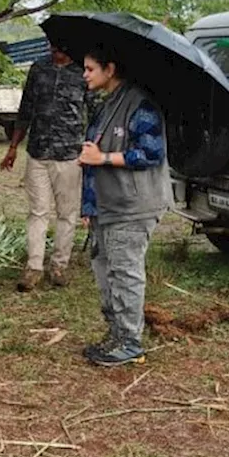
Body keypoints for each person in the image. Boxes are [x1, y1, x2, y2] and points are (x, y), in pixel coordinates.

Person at [78, 44, 170, 367]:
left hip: (133, 206)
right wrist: (89, 206)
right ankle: (116, 333)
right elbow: (89, 158)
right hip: (107, 206)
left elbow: (151, 153)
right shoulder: (106, 106)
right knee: (105, 270)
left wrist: (103, 158)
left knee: (125, 271)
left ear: (110, 69)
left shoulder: (140, 105)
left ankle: (130, 340)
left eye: (90, 69)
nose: (85, 74)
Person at [0, 42, 94, 292]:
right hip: (38, 152)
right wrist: (13, 147)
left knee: (67, 213)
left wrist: (93, 148)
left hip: (70, 154)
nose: (57, 50)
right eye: (54, 45)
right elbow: (25, 109)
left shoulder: (82, 71)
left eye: (63, 45)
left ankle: (59, 266)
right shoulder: (38, 68)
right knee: (38, 211)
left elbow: (94, 111)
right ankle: (33, 268)